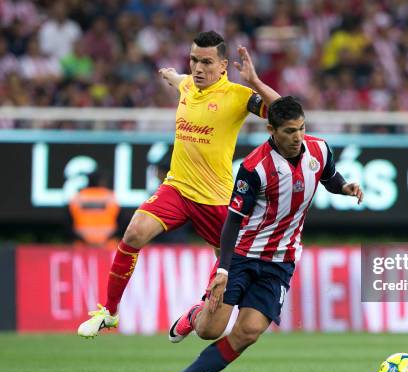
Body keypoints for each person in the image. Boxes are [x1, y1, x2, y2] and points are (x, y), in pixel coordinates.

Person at [77, 31, 280, 338]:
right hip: (177, 188)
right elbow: (181, 79)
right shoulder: (188, 84)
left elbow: (286, 112)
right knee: (133, 233)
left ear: (223, 65)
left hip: (216, 200)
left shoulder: (237, 96)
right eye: (194, 60)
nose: (199, 68)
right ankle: (110, 312)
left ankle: (195, 314)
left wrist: (254, 82)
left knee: (210, 330)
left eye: (207, 62)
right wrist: (171, 75)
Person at [158, 96, 363, 372]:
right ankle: (195, 316)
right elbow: (232, 221)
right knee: (209, 330)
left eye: (301, 129)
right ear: (271, 130)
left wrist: (345, 187)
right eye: (289, 131)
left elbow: (329, 177)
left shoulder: (319, 150)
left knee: (248, 332)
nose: (297, 138)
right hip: (242, 256)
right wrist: (223, 270)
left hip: (280, 261)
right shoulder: (254, 168)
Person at [68, 171, 120, 247]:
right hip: (108, 245)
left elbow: (69, 220)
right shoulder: (109, 196)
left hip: (82, 245)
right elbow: (120, 220)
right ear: (100, 182)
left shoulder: (78, 197)